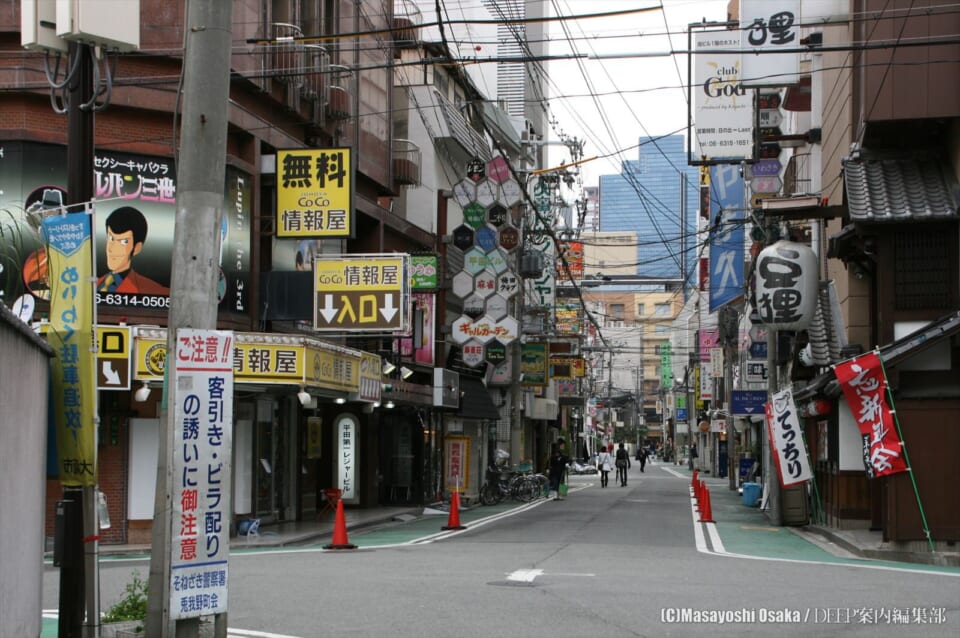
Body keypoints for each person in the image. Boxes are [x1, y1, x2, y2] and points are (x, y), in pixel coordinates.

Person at [96, 206, 169, 295]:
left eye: (123, 242)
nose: (112, 249)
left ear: (136, 248)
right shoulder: (91, 285)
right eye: (111, 238)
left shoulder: (154, 292)